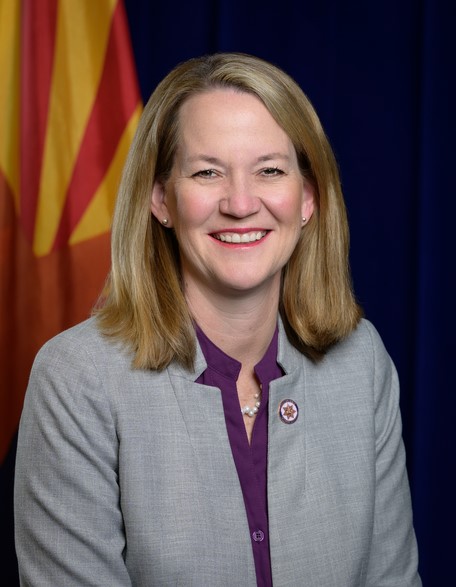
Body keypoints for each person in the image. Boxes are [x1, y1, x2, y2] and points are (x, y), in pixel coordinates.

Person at [14, 53, 421, 586]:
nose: (241, 203)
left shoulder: (360, 360)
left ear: (307, 197)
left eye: (270, 170)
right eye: (207, 172)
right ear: (161, 199)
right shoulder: (77, 378)